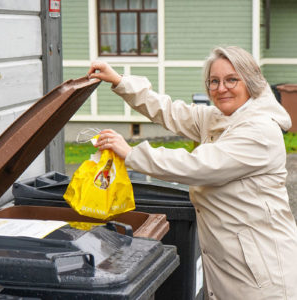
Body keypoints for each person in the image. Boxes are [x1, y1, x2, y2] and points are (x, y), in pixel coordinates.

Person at [88, 46, 297, 299]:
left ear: (250, 82)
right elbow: (171, 111)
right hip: (233, 262)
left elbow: (197, 165)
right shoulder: (223, 117)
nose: (221, 88)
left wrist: (131, 154)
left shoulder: (260, 131)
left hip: (261, 272)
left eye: (232, 79)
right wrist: (121, 82)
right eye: (214, 81)